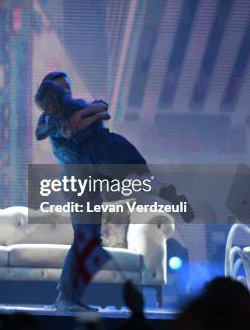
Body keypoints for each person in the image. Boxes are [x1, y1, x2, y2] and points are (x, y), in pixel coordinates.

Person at [35, 78, 194, 222]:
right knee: (136, 179)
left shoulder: (63, 116)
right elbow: (100, 112)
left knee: (130, 181)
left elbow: (96, 113)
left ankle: (166, 193)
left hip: (99, 153)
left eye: (45, 106)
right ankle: (167, 193)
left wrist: (86, 115)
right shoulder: (65, 113)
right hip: (110, 145)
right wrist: (93, 115)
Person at [35, 71, 111, 312]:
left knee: (93, 240)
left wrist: (85, 111)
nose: (65, 92)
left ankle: (72, 296)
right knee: (84, 236)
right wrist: (84, 113)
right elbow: (46, 130)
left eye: (67, 88)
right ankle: (65, 296)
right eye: (60, 89)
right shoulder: (51, 118)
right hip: (76, 182)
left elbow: (103, 108)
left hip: (92, 181)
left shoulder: (74, 110)